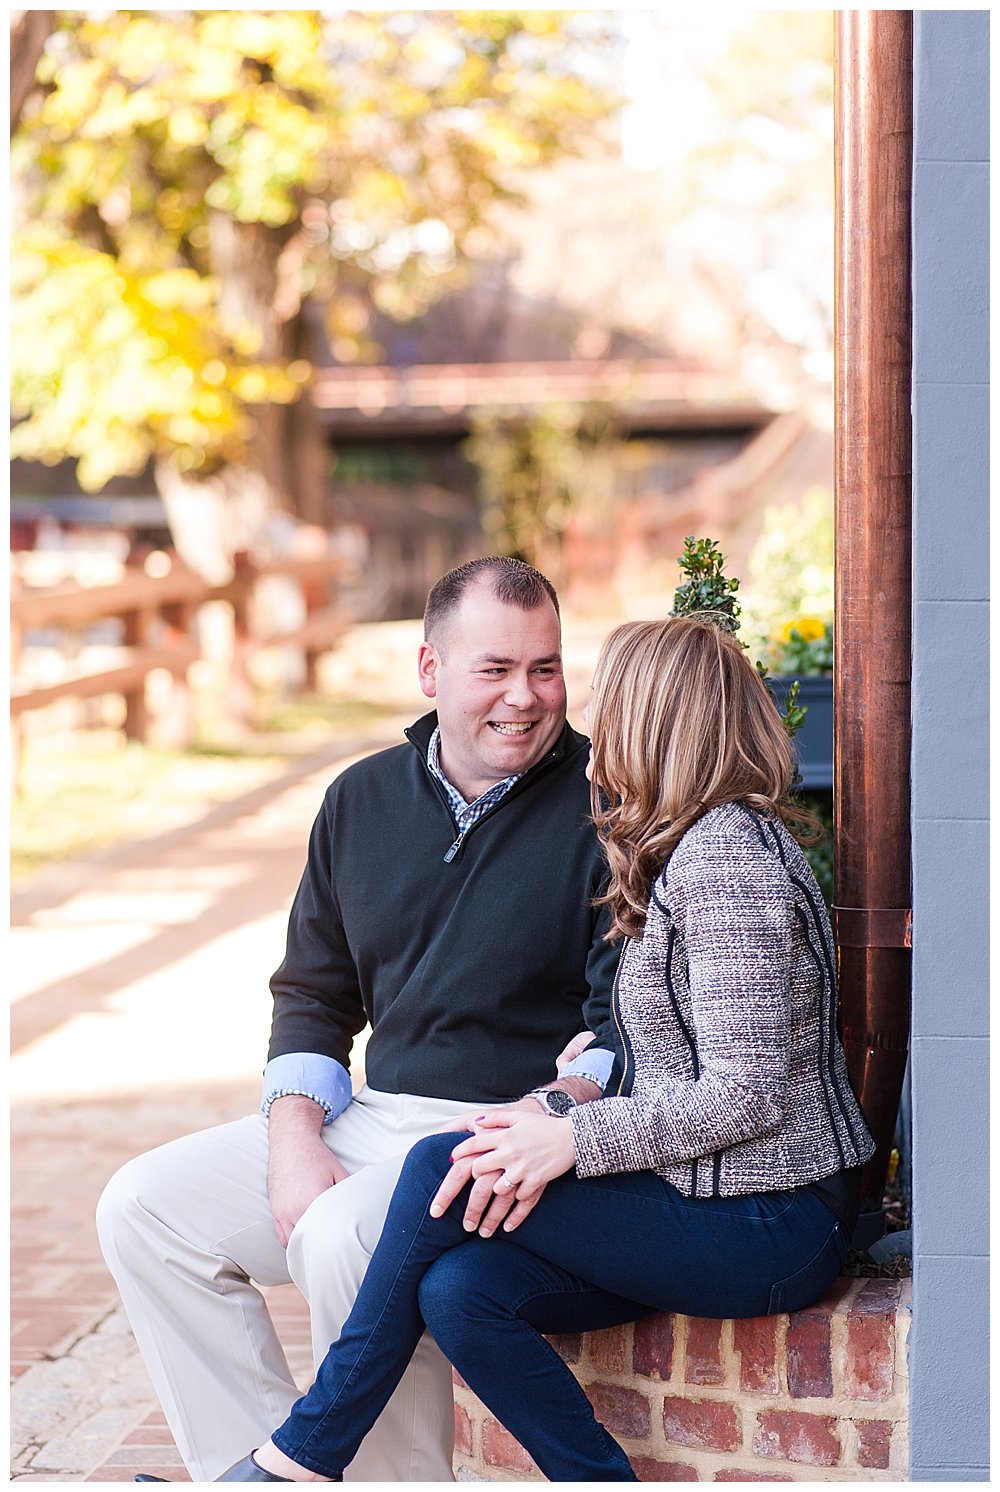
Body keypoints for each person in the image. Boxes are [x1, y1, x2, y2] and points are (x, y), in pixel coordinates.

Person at [136, 613, 875, 1484]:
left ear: (656, 727)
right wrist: (599, 1067)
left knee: (439, 1174)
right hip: (712, 1192)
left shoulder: (725, 862)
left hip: (774, 1217)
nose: (588, 737)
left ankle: (301, 1454)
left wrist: (569, 1133)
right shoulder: (695, 847)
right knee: (462, 1292)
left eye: (607, 705)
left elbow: (746, 1094)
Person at [97, 556, 623, 1483]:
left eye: (545, 668)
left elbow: (624, 1021)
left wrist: (550, 1110)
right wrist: (293, 1131)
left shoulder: (607, 808)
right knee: (144, 1207)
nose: (527, 697)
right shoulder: (360, 799)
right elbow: (312, 991)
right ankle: (249, 1470)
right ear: (429, 670)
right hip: (377, 1113)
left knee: (345, 1236)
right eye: (494, 669)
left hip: (510, 1135)